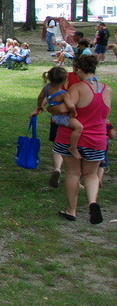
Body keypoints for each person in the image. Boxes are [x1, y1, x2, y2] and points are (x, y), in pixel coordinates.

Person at [56, 55, 111, 224]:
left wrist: (51, 104)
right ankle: (92, 202)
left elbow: (64, 109)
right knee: (91, 174)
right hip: (97, 139)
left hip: (72, 138)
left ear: (78, 69)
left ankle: (71, 210)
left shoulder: (78, 88)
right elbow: (105, 114)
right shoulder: (107, 89)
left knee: (73, 173)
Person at [32, 66, 82, 166]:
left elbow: (40, 97)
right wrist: (73, 111)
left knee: (57, 141)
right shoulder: (64, 94)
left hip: (54, 118)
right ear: (64, 80)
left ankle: (57, 166)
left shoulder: (46, 88)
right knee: (79, 127)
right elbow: (70, 105)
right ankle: (73, 147)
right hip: (62, 117)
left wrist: (39, 106)